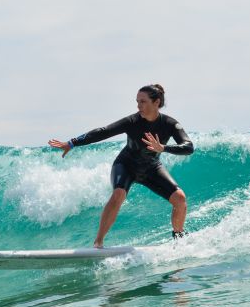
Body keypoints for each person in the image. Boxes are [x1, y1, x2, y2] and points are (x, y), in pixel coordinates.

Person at [49, 84, 194, 247]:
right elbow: (103, 131)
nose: (138, 106)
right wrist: (72, 143)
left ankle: (179, 238)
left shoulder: (169, 124)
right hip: (126, 165)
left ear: (156, 102)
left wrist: (163, 148)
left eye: (143, 102)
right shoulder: (132, 121)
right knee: (118, 194)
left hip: (151, 168)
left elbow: (188, 147)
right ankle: (98, 242)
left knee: (180, 199)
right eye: (137, 101)